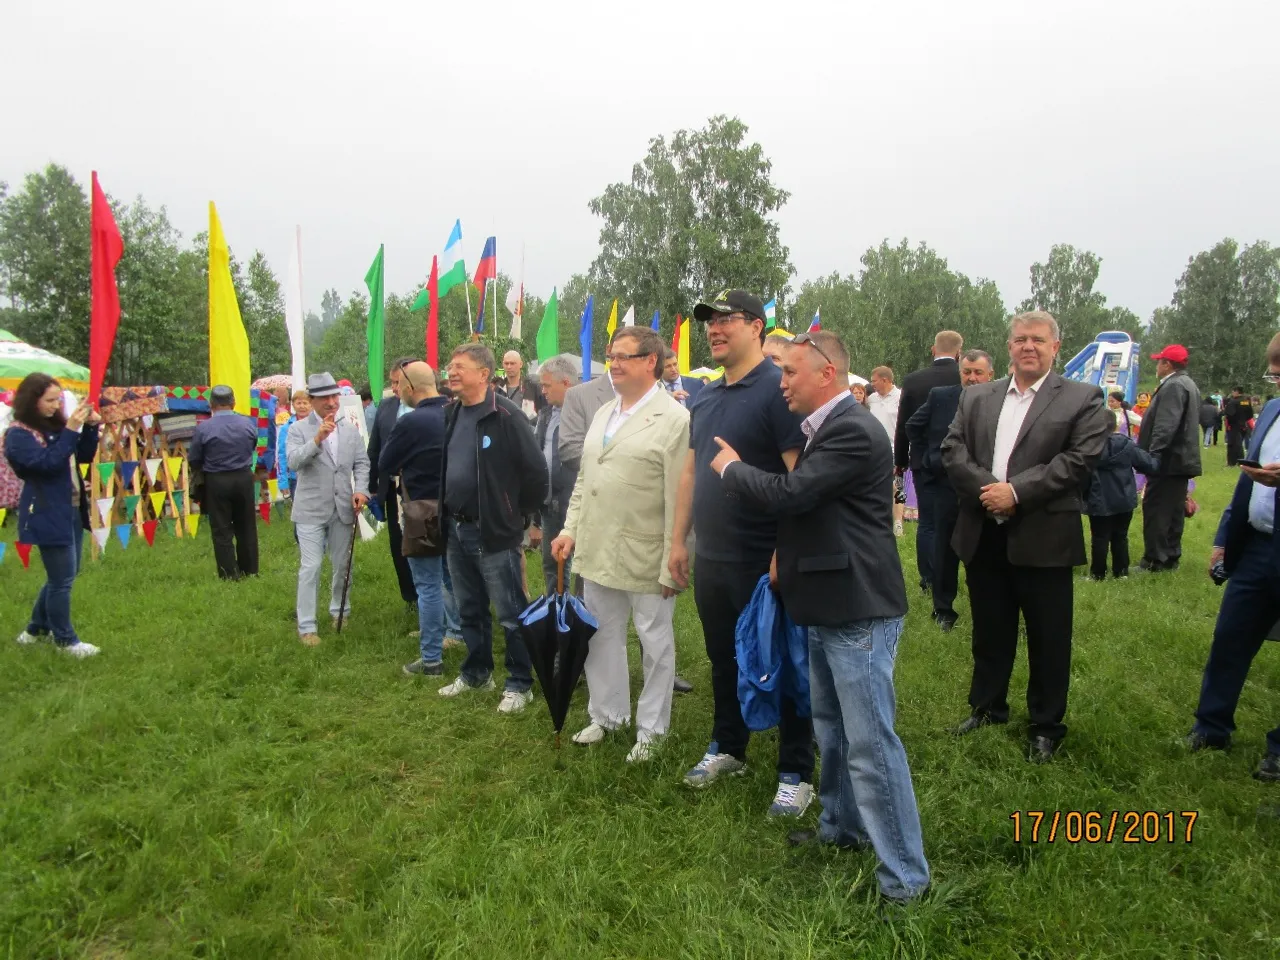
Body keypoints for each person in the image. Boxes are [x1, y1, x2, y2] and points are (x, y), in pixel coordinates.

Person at [710, 329, 929, 901]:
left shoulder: (852, 430)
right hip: (829, 604)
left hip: (857, 607)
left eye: (790, 372)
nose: (781, 382)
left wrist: (732, 469)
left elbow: (792, 494)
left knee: (870, 745)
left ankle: (905, 880)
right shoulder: (827, 428)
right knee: (832, 730)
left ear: (826, 373)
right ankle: (841, 829)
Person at [668, 289, 813, 815]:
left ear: (756, 327)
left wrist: (785, 551)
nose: (714, 328)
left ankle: (797, 772)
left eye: (726, 319)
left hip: (766, 559)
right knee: (723, 658)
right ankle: (729, 746)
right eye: (709, 320)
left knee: (784, 662)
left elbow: (800, 477)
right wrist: (678, 540)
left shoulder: (780, 390)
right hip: (714, 555)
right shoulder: (705, 396)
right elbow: (691, 471)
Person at [941, 311, 1110, 762]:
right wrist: (990, 491)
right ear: (1009, 347)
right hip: (984, 532)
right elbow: (952, 449)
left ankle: (1045, 725)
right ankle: (987, 707)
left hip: (1044, 536)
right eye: (1020, 339)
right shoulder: (977, 396)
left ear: (1056, 347)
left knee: (1048, 637)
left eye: (1037, 339)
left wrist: (1016, 492)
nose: (1028, 346)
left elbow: (1079, 460)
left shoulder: (1082, 398)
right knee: (989, 631)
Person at [552, 326, 689, 763]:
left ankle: (651, 729)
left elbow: (679, 495)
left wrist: (673, 557)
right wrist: (570, 529)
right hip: (597, 547)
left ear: (650, 361)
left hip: (645, 549)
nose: (613, 364)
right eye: (611, 356)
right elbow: (584, 480)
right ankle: (607, 714)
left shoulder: (674, 419)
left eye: (623, 357)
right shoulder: (605, 412)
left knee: (655, 642)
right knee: (601, 635)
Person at [437, 343, 548, 712]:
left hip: (495, 531)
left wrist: (517, 516)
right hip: (456, 528)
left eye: (460, 367)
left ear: (484, 374)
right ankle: (476, 674)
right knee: (469, 608)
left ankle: (520, 683)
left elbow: (536, 474)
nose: (451, 372)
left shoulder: (507, 416)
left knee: (511, 612)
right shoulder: (451, 413)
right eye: (450, 366)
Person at [1190, 333, 1280, 781]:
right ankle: (1211, 728)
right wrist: (1224, 537)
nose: (1277, 384)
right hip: (1257, 548)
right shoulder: (1273, 411)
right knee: (1230, 639)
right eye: (1275, 375)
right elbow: (1247, 479)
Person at [7, 374, 101, 658]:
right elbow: (47, 464)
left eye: (58, 399)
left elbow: (81, 456)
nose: (55, 405)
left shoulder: (55, 427)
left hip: (71, 507)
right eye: (49, 400)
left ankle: (34, 630)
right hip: (46, 511)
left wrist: (90, 428)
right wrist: (71, 429)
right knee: (62, 581)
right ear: (31, 400)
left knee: (64, 574)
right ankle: (66, 641)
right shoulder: (18, 435)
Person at [905, 349, 995, 630]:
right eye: (967, 372)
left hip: (988, 487)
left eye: (978, 372)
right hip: (947, 484)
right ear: (960, 372)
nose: (972, 378)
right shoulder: (941, 396)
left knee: (985, 549)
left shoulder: (1001, 400)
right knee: (945, 547)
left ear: (990, 374)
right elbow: (912, 426)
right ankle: (943, 610)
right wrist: (930, 457)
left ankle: (988, 607)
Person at [286, 373, 371, 646]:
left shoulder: (349, 429)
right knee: (310, 567)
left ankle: (340, 612)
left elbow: (362, 463)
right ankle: (307, 627)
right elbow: (292, 462)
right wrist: (316, 440)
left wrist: (361, 490)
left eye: (335, 396)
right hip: (310, 510)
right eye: (325, 398)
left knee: (343, 565)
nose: (332, 402)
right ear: (311, 400)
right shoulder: (298, 429)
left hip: (343, 507)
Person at [377, 361, 450, 677]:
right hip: (458, 506)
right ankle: (459, 634)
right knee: (453, 578)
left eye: (398, 384)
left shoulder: (411, 422)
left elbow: (386, 462)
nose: (396, 390)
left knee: (428, 585)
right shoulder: (456, 412)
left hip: (422, 509)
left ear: (409, 386)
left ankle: (432, 659)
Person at [895, 330, 964, 594]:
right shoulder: (966, 378)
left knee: (927, 522)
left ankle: (928, 578)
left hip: (922, 458)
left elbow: (903, 424)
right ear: (959, 353)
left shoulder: (913, 380)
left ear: (933, 350)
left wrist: (900, 460)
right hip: (963, 459)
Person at [1137, 345, 1202, 574]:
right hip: (1180, 460)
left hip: (1167, 461)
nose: (1157, 366)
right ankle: (1170, 556)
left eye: (1159, 361)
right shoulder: (1188, 383)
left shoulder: (1173, 385)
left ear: (1167, 364)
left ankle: (1154, 560)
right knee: (1174, 511)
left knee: (1157, 510)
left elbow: (1166, 424)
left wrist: (1153, 456)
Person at [188, 385, 260, 580]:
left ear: (211, 404)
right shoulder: (247, 424)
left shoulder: (204, 428)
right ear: (233, 403)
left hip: (217, 480)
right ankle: (250, 570)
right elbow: (253, 445)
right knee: (246, 526)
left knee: (221, 529)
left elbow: (194, 458)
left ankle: (229, 573)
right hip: (243, 478)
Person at [365, 358, 419, 606]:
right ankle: (410, 596)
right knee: (398, 543)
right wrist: (372, 487)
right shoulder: (386, 407)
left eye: (398, 382)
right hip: (392, 487)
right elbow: (374, 449)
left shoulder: (428, 407)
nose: (394, 388)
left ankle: (431, 596)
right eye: (392, 382)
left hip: (421, 489)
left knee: (424, 543)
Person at [1085, 410, 1159, 580]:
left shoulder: (1088, 448)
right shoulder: (1127, 445)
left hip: (1098, 498)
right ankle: (1121, 572)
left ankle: (1097, 574)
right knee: (1120, 536)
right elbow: (1149, 464)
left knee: (1099, 537)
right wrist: (1158, 456)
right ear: (1116, 425)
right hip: (1124, 498)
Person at [531, 354, 579, 592]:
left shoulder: (586, 414)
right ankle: (556, 606)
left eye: (547, 385)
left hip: (576, 504)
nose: (543, 390)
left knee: (582, 566)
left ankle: (581, 610)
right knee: (552, 562)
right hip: (550, 505)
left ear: (566, 383)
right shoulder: (545, 415)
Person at [866, 366, 905, 536]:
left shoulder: (901, 397)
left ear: (885, 380)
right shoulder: (871, 399)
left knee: (898, 486)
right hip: (874, 449)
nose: (872, 384)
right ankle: (878, 519)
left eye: (874, 381)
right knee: (876, 484)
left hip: (896, 448)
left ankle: (898, 522)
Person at [277, 390, 311, 500]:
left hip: (315, 475)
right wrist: (283, 481)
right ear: (293, 405)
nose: (302, 406)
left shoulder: (317, 425)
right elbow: (282, 455)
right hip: (295, 477)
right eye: (299, 403)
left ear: (311, 405)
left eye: (305, 403)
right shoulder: (286, 428)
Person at [500, 350, 541, 421]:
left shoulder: (532, 387)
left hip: (529, 426)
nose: (509, 367)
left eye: (512, 363)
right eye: (506, 363)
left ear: (521, 364)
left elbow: (543, 411)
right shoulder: (498, 389)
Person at [1224, 387, 1251, 466]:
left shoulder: (1233, 402)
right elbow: (1250, 414)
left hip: (1234, 426)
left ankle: (1232, 462)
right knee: (1239, 443)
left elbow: (1229, 414)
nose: (1232, 393)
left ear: (1237, 392)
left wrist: (1231, 423)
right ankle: (1239, 461)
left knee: (1232, 444)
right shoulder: (1246, 402)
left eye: (1233, 391)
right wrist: (1243, 420)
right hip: (1243, 425)